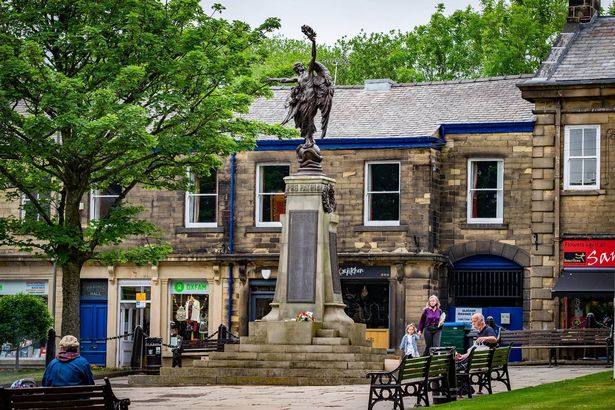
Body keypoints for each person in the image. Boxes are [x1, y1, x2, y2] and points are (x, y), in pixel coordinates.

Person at [268, 25, 334, 149]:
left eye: (300, 65)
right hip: (303, 101)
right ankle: (308, 138)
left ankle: (310, 140)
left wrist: (313, 42)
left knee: (309, 118)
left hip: (312, 99)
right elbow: (285, 80)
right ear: (296, 69)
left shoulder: (308, 73)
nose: (300, 67)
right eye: (297, 66)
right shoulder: (298, 78)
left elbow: (313, 56)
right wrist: (272, 80)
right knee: (303, 120)